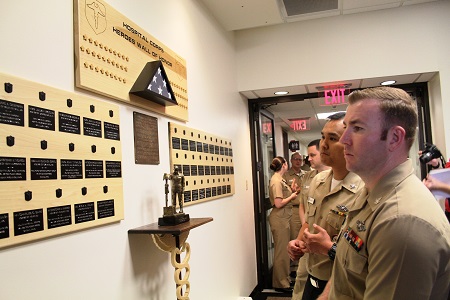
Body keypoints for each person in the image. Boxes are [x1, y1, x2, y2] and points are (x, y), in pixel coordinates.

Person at [318, 86, 450, 299]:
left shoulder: (402, 221)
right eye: (347, 127)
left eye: (358, 128)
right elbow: (345, 275)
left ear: (395, 138)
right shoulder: (371, 191)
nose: (344, 140)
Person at [287, 112, 364, 300]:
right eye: (323, 137)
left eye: (332, 138)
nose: (324, 144)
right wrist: (298, 243)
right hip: (312, 277)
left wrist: (329, 247)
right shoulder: (318, 181)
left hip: (341, 285)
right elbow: (309, 222)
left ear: (349, 142)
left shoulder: (364, 188)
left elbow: (364, 256)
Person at [291, 138, 331, 299]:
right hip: (308, 235)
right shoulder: (308, 177)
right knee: (302, 276)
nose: (309, 159)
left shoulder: (340, 177)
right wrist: (305, 229)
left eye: (313, 155)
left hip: (327, 241)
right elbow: (304, 205)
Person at [269, 156, 299, 293]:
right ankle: (281, 284)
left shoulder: (280, 179)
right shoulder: (276, 180)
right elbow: (278, 203)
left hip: (284, 217)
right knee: (281, 252)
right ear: (284, 165)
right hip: (279, 218)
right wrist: (292, 197)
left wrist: (292, 191)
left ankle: (285, 279)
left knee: (285, 250)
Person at [283, 152, 306, 280]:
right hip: (294, 209)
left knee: (305, 237)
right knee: (295, 237)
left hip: (306, 209)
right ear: (291, 161)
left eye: (300, 159)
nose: (298, 161)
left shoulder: (306, 175)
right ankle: (294, 269)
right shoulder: (286, 176)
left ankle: (302, 267)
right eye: (296, 159)